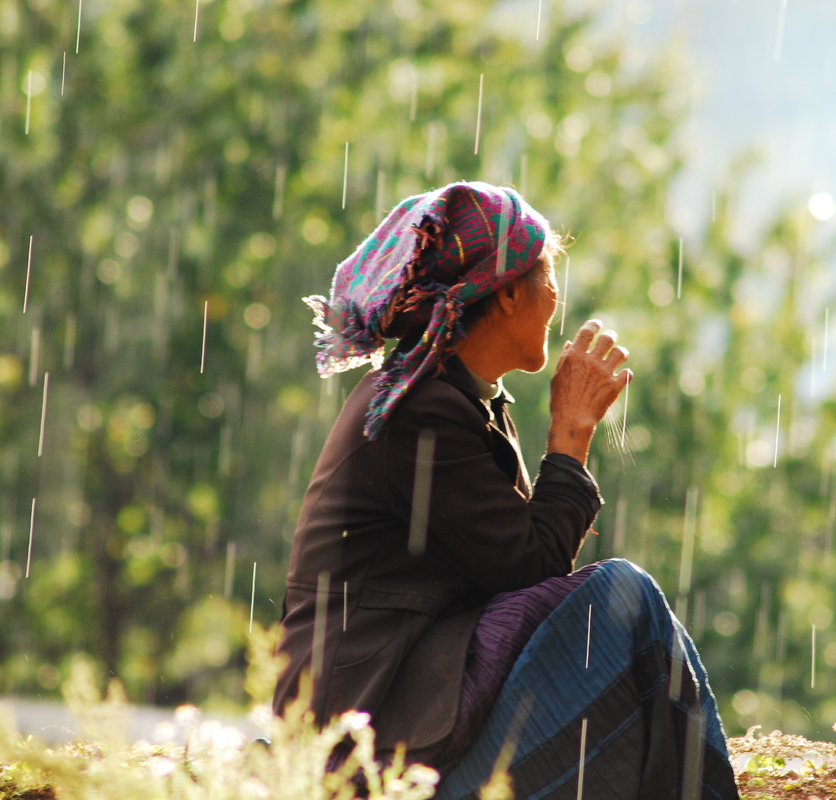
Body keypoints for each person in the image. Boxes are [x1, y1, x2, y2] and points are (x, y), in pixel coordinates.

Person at [273, 182, 739, 800]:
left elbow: (521, 572)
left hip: (416, 696)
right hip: (367, 731)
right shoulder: (420, 411)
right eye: (549, 277)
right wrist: (570, 434)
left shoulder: (461, 400)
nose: (557, 298)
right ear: (511, 292)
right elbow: (529, 569)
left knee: (622, 611)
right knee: (621, 596)